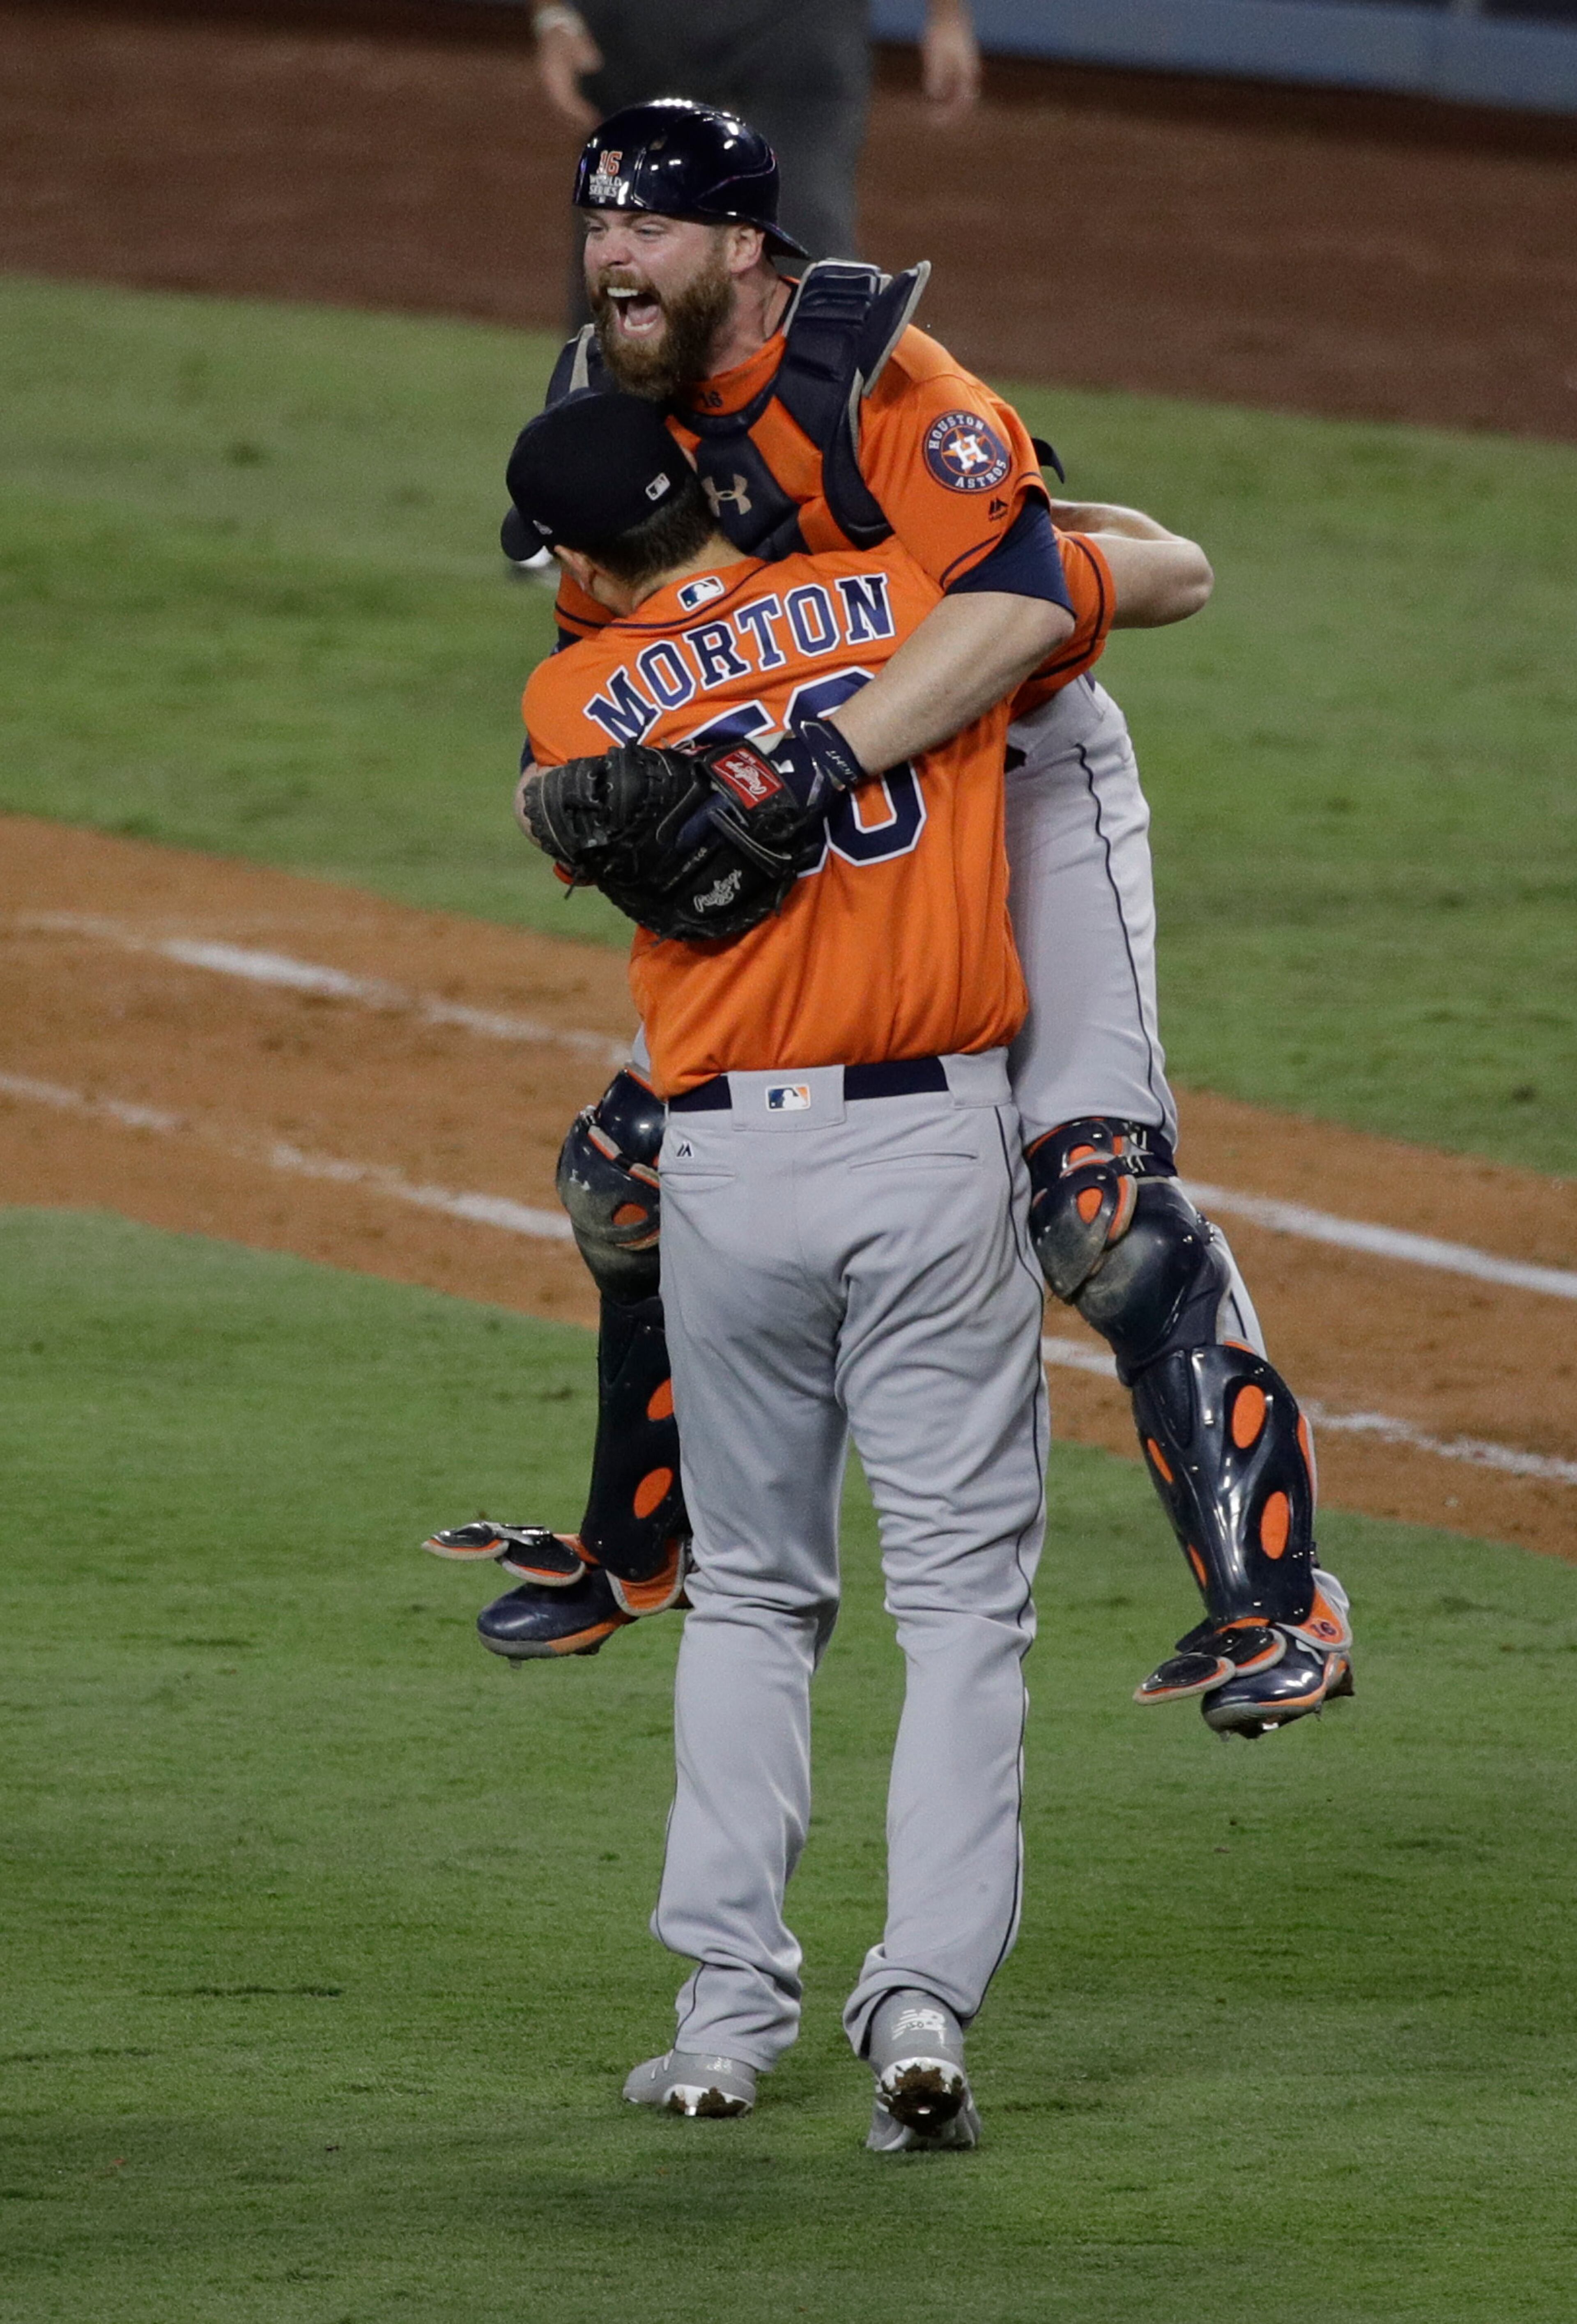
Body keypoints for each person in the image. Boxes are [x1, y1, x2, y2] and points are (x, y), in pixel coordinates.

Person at [427, 100, 1355, 1741]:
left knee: (1099, 1205)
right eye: (595, 224)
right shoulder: (604, 411)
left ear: (741, 246)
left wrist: (815, 753)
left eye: (645, 228)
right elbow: (596, 668)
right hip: (813, 816)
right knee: (626, 1167)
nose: (610, 257)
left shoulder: (884, 388)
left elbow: (1058, 595)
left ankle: (1276, 1603)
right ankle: (646, 1543)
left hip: (1016, 774)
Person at [502, 385, 1088, 2147]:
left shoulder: (564, 697)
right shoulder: (917, 593)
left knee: (755, 1593)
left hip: (726, 1167)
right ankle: (918, 2001)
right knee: (963, 1607)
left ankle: (722, 2022)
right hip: (930, 1149)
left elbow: (562, 811)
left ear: (587, 558)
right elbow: (1100, 584)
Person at [531, 0, 979, 273]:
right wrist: (551, 16)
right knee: (627, 258)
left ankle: (820, 420)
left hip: (799, 25)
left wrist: (948, 15)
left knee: (802, 242)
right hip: (643, 29)